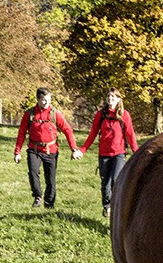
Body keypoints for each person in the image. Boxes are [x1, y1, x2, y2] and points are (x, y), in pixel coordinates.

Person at [13, 88, 82, 208]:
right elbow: (22, 133)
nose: (47, 102)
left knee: (51, 180)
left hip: (51, 151)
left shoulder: (55, 114)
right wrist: (17, 152)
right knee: (33, 173)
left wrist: (74, 149)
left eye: (49, 99)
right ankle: (38, 196)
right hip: (34, 150)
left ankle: (49, 205)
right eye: (44, 100)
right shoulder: (29, 114)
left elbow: (67, 130)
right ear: (38, 99)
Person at [78, 87, 138, 219]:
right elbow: (93, 134)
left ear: (118, 99)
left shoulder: (124, 115)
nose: (110, 99)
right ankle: (107, 207)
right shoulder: (100, 115)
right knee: (105, 184)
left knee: (116, 180)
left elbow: (130, 136)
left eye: (113, 97)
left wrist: (137, 153)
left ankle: (117, 208)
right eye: (108, 97)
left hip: (119, 153)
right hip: (104, 154)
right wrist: (82, 150)